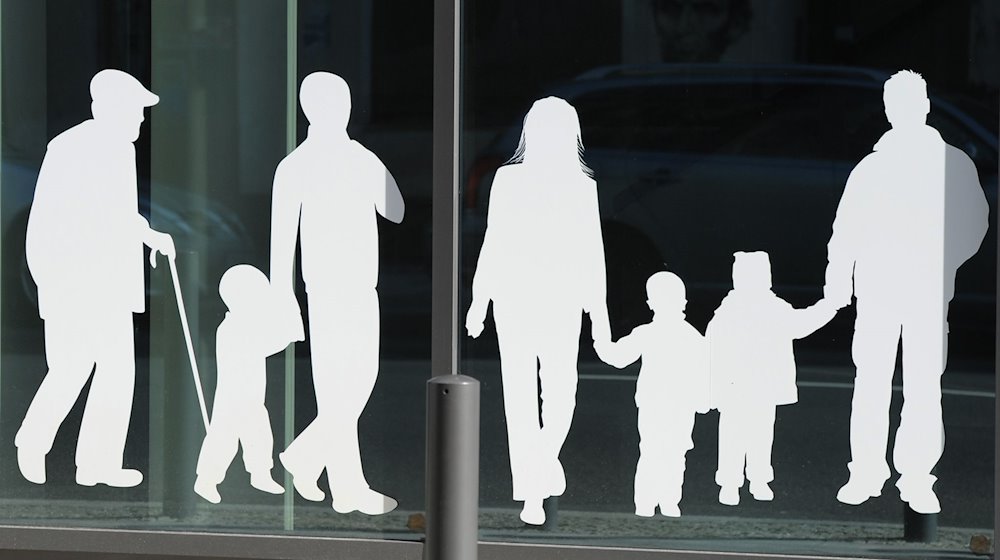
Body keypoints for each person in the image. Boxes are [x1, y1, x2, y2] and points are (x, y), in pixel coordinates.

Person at [824, 70, 989, 514]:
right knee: (878, 382)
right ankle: (868, 471)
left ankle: (914, 476)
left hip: (922, 290)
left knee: (916, 384)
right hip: (882, 290)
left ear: (922, 107)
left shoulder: (948, 163)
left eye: (907, 103)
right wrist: (838, 283)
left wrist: (941, 262)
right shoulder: (875, 167)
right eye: (897, 104)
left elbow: (974, 222)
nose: (902, 112)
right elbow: (847, 231)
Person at [15, 69, 175, 487]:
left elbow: (120, 214)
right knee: (71, 368)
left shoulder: (120, 149)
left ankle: (97, 464)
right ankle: (32, 442)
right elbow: (47, 217)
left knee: (118, 372)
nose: (142, 119)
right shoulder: (71, 147)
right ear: (110, 107)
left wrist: (150, 236)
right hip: (74, 281)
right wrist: (49, 280)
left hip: (110, 284)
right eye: (137, 110)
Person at [466, 96, 610, 525]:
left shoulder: (583, 186)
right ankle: (531, 495)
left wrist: (598, 313)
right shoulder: (507, 181)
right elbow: (494, 241)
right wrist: (479, 300)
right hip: (518, 298)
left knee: (560, 391)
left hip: (559, 298)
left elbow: (592, 252)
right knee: (524, 399)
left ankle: (544, 461)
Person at [270, 72, 403, 515]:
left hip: (362, 287)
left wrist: (367, 160)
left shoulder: (358, 158)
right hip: (325, 290)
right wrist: (281, 295)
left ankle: (304, 458)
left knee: (360, 380)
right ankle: (347, 487)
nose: (340, 111)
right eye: (334, 104)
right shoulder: (296, 166)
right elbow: (281, 238)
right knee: (336, 389)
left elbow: (395, 210)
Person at [708, 251, 835, 506]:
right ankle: (744, 481)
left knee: (745, 433)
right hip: (750, 385)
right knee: (756, 433)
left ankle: (741, 482)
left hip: (748, 386)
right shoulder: (752, 308)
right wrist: (827, 307)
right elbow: (801, 324)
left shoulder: (737, 309)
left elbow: (711, 348)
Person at [594, 271, 709, 518]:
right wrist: (703, 399)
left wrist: (600, 340)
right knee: (675, 452)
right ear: (684, 302)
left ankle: (647, 503)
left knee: (653, 451)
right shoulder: (692, 337)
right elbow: (704, 371)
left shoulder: (648, 333)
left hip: (655, 403)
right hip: (679, 404)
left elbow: (618, 357)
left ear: (651, 303)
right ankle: (667, 501)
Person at [194, 265, 288, 504]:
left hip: (252, 396)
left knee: (260, 436)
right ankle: (206, 480)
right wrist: (285, 338)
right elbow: (263, 346)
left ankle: (261, 474)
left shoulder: (246, 326)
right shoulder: (233, 328)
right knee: (223, 439)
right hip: (232, 397)